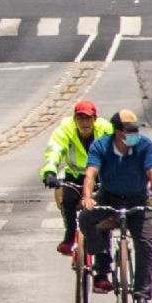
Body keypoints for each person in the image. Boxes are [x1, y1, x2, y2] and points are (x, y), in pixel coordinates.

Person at [78, 109, 152, 303]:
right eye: (129, 130)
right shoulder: (101, 146)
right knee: (85, 218)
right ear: (117, 132)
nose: (134, 133)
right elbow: (90, 173)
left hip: (138, 197)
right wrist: (88, 197)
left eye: (136, 129)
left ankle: (142, 296)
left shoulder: (144, 145)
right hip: (109, 196)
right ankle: (101, 255)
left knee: (145, 245)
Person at [40, 100, 114, 255]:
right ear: (74, 119)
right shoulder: (66, 129)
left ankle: (103, 259)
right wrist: (49, 172)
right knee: (67, 200)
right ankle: (69, 237)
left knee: (102, 213)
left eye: (88, 118)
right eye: (80, 118)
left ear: (95, 119)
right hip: (75, 176)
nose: (84, 123)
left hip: (100, 177)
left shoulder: (105, 129)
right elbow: (55, 149)